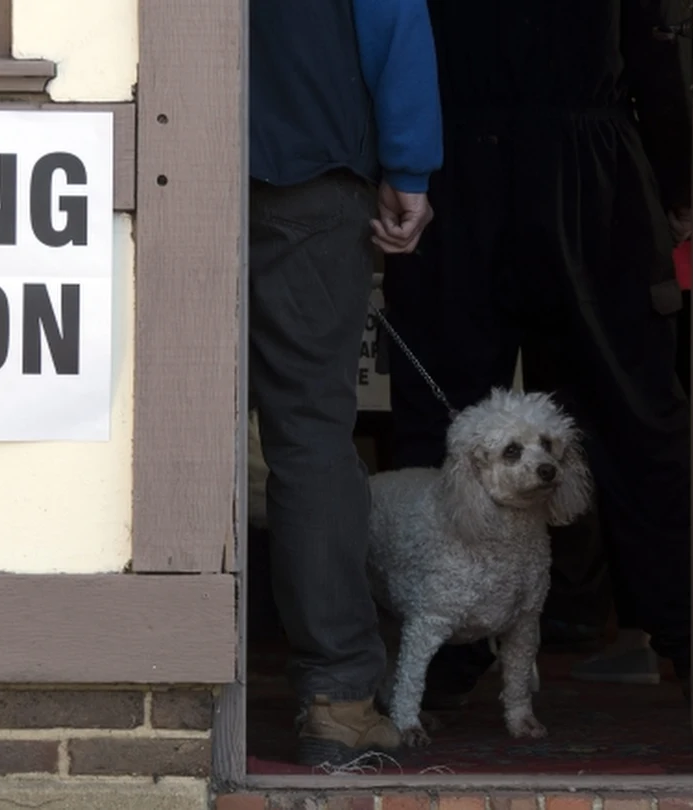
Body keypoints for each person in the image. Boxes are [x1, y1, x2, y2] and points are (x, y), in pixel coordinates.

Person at [380, 0, 693, 707]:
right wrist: (678, 181)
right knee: (633, 416)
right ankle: (688, 638)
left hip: (456, 162)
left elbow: (391, 38)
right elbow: (653, 51)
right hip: (589, 173)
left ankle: (438, 671)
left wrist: (392, 161)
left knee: (443, 416)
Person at [249, 0, 443, 764]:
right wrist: (409, 167)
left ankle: (164, 670)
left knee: (166, 419)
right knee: (310, 439)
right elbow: (394, 21)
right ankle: (337, 701)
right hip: (314, 172)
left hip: (170, 154)